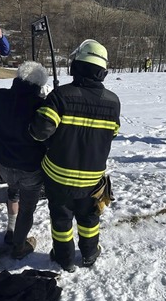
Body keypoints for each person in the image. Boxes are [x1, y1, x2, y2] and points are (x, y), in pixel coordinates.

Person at [30, 39, 121, 273]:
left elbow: (39, 132)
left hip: (58, 176)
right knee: (89, 218)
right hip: (93, 179)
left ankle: (64, 258)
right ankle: (90, 254)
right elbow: (113, 133)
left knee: (61, 220)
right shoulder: (113, 102)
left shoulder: (60, 96)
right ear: (103, 72)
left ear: (76, 67)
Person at [0, 61, 49, 260]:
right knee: (28, 206)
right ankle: (19, 246)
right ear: (39, 85)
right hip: (30, 167)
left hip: (3, 164)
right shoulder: (41, 107)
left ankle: (10, 231)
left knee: (12, 191)